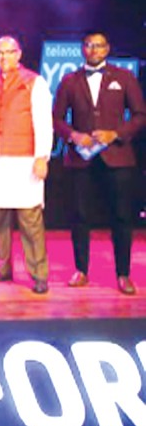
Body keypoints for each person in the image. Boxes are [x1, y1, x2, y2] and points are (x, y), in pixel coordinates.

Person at [53, 32, 146, 295]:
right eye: (89, 45)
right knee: (80, 216)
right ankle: (81, 270)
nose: (93, 49)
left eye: (99, 45)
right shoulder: (69, 80)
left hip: (116, 156)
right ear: (82, 49)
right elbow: (57, 118)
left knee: (121, 216)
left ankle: (123, 274)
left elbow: (140, 115)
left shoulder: (124, 77)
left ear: (107, 49)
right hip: (81, 159)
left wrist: (115, 133)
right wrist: (73, 135)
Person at [0, 35, 53, 294]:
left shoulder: (34, 82)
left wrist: (42, 156)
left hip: (26, 160)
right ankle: (3, 267)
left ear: (18, 54)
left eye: (8, 52)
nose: (3, 57)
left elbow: (43, 123)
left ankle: (38, 273)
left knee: (30, 219)